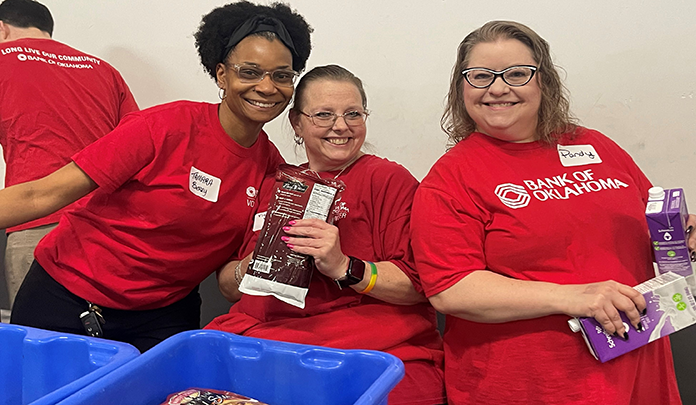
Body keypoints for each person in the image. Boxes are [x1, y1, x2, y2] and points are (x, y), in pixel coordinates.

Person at [410, 21, 696, 405]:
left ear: (544, 82)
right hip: (535, 383)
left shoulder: (597, 146)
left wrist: (683, 237)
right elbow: (452, 290)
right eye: (480, 76)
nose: (498, 88)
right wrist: (574, 297)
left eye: (517, 73)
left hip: (638, 362)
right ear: (461, 88)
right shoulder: (451, 178)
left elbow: (649, 223)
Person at [0, 1, 312, 352]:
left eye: (282, 76)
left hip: (163, 316)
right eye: (250, 71)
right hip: (66, 297)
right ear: (222, 74)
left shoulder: (274, 171)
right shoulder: (164, 127)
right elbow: (41, 195)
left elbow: (229, 282)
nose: (267, 87)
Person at [206, 65, 446, 405]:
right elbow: (230, 288)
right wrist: (253, 265)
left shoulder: (388, 180)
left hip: (369, 347)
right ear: (297, 123)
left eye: (353, 114)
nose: (341, 126)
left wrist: (344, 266)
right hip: (268, 344)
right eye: (323, 115)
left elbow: (419, 286)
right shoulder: (276, 185)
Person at [0, 0, 138, 308]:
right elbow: (135, 148)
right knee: (101, 342)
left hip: (35, 224)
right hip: (107, 228)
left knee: (39, 341)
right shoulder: (104, 70)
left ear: (1, 28)